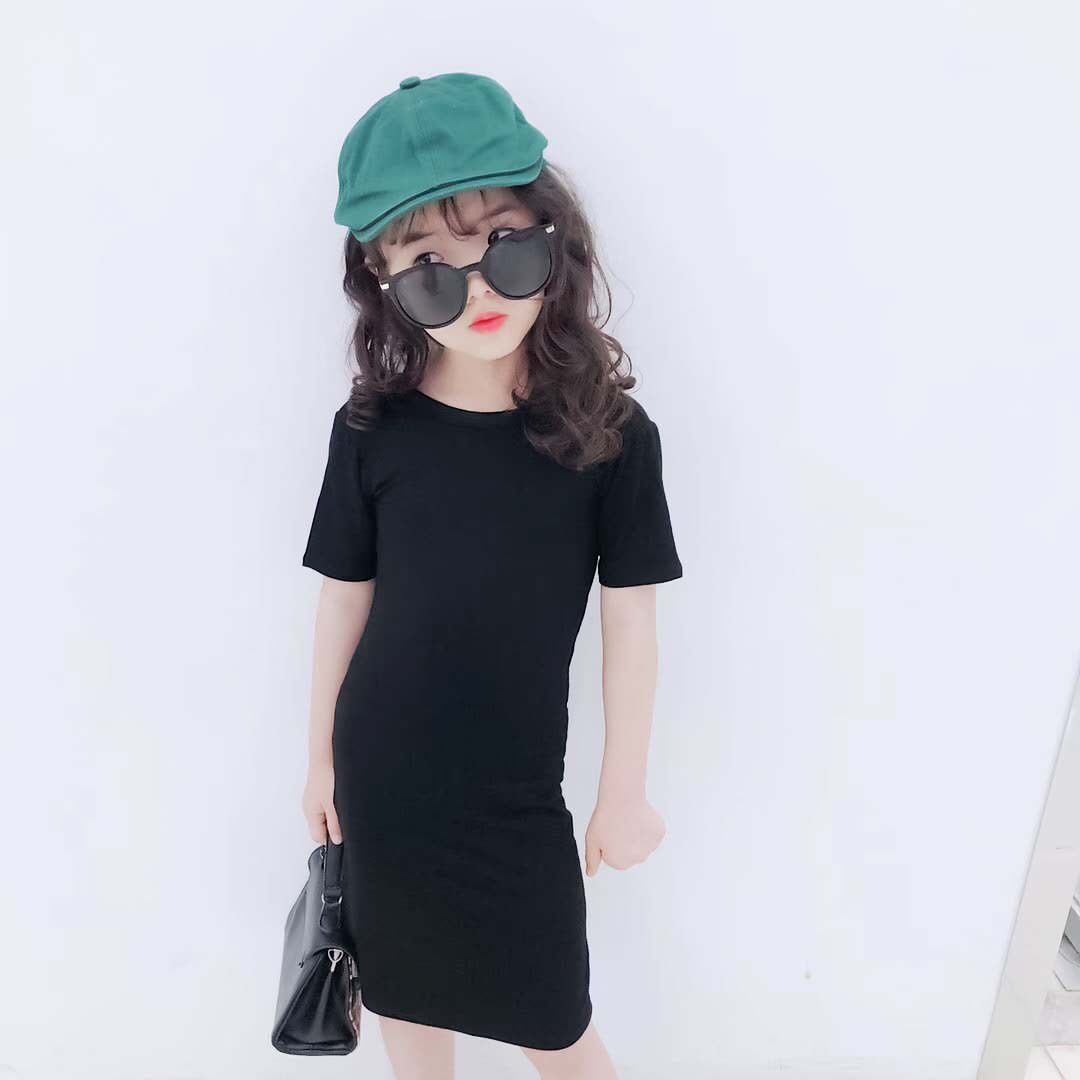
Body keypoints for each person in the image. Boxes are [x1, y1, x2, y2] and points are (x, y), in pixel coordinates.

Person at [298, 72, 683, 1079]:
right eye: (430, 271)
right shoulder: (371, 429)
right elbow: (345, 595)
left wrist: (624, 792)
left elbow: (631, 625)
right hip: (386, 783)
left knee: (557, 1026)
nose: (476, 293)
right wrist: (319, 758)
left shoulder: (610, 436)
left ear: (554, 240)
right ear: (383, 281)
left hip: (517, 799)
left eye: (505, 248)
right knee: (408, 1013)